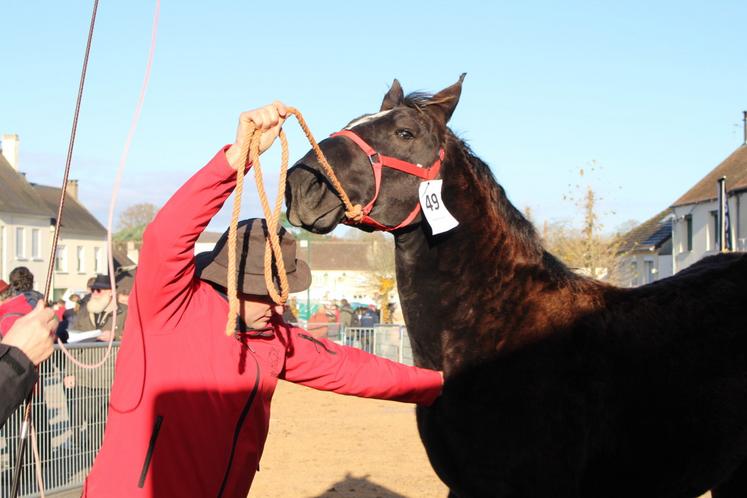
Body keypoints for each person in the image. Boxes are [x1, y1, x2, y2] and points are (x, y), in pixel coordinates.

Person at [82, 102, 443, 498]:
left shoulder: (270, 337)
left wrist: (442, 385)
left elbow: (348, 368)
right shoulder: (170, 306)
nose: (278, 307)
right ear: (235, 283)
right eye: (269, 294)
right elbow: (165, 237)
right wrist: (239, 159)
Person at [0, 303, 56, 428]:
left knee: (36, 426)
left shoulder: (14, 310)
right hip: (20, 386)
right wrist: (16, 359)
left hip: (25, 387)